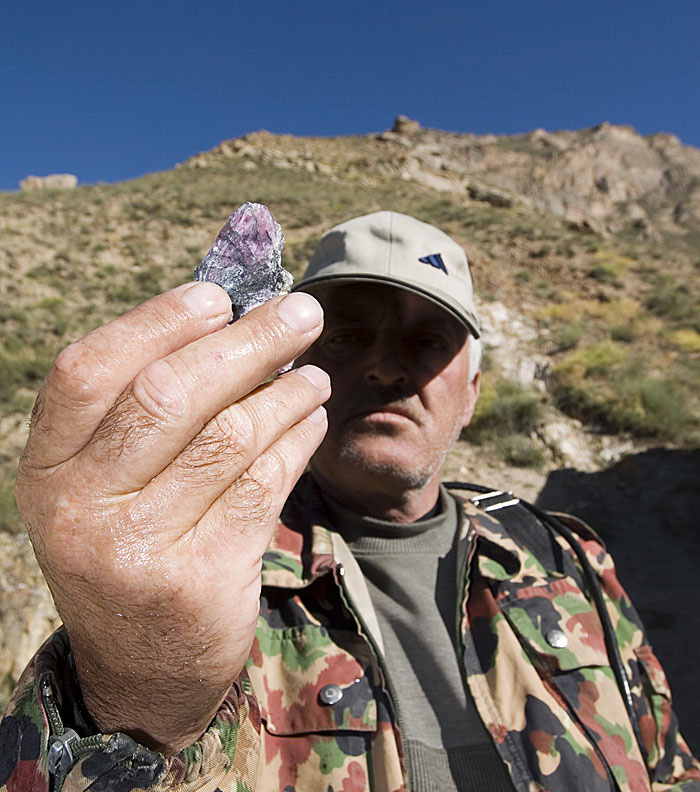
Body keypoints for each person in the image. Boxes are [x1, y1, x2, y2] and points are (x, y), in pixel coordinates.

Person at [1, 211, 698, 792]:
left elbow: (668, 766)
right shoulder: (202, 569)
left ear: (475, 394)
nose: (388, 365)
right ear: (294, 359)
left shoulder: (566, 556)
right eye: (349, 333)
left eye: (428, 341)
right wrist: (140, 689)